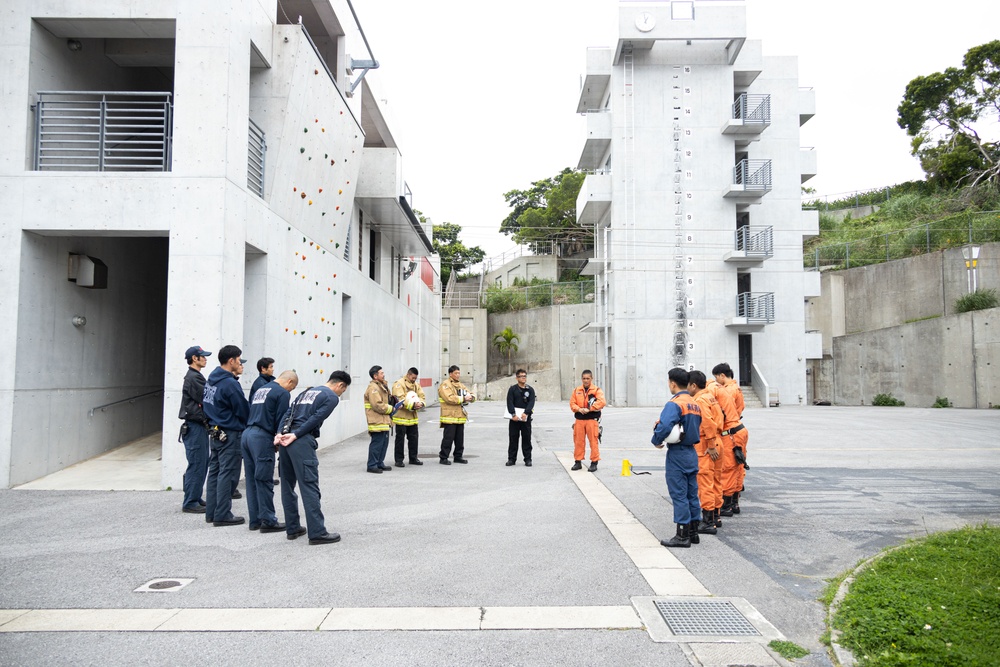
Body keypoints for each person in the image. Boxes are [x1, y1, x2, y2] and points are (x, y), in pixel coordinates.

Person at [274, 370, 351, 545]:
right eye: (343, 390)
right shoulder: (330, 397)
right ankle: (317, 532)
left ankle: (292, 528)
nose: (341, 394)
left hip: (286, 440)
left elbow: (288, 413)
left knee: (287, 485)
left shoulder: (306, 392)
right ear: (340, 385)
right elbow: (316, 419)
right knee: (309, 486)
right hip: (300, 441)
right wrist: (296, 434)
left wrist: (280, 433)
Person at [652, 367, 702, 548]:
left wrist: (656, 440)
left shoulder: (674, 403)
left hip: (678, 453)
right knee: (691, 494)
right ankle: (694, 531)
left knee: (679, 494)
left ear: (672, 383)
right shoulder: (694, 403)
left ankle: (682, 535)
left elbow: (665, 425)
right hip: (691, 452)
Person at [242, 370, 297, 532]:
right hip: (261, 438)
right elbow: (281, 420)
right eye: (292, 389)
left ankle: (255, 520)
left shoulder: (262, 389)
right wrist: (279, 440)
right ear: (289, 382)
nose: (290, 392)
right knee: (265, 479)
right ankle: (268, 521)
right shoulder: (282, 393)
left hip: (247, 435)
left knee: (252, 480)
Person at [202, 345, 250, 527]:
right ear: (231, 361)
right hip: (230, 432)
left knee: (214, 471)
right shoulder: (230, 383)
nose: (240, 363)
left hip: (215, 431)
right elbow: (242, 410)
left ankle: (212, 512)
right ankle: (222, 514)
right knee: (227, 473)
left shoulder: (211, 380)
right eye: (239, 360)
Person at [709, 362, 749, 519]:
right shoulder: (736, 388)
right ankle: (734, 502)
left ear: (722, 376)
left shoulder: (727, 390)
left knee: (728, 468)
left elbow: (721, 412)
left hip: (731, 433)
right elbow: (740, 408)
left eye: (716, 378)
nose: (716, 381)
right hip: (738, 429)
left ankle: (727, 504)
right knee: (738, 466)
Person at [688, 370, 723, 536]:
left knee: (705, 482)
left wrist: (709, 445)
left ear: (693, 385)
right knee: (716, 480)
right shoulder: (709, 396)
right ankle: (715, 516)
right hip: (717, 441)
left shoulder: (700, 400)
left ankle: (708, 521)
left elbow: (707, 422)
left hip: (707, 444)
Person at [178, 345, 212, 514]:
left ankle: (195, 497)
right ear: (194, 359)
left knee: (201, 462)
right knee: (197, 463)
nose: (205, 359)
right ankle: (190, 501)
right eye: (202, 356)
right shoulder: (194, 378)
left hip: (197, 427)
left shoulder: (195, 376)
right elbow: (207, 398)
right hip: (194, 426)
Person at [439, 365, 475, 464]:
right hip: (449, 416)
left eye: (459, 373)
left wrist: (471, 397)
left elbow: (469, 393)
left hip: (459, 416)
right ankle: (443, 457)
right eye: (456, 373)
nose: (458, 375)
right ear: (450, 374)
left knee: (459, 439)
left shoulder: (460, 384)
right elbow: (449, 398)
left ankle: (458, 456)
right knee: (448, 438)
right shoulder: (445, 385)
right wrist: (463, 398)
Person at [570, 370, 605, 472]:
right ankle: (578, 462)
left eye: (587, 378)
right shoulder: (577, 390)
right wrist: (579, 409)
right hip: (579, 420)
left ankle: (594, 462)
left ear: (591, 378)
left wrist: (590, 409)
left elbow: (602, 402)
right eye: (584, 378)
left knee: (593, 442)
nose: (585, 380)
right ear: (582, 379)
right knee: (578, 442)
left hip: (592, 420)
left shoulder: (597, 390)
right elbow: (572, 403)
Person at [364, 365, 397, 473]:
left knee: (384, 443)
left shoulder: (382, 386)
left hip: (384, 420)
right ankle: (372, 465)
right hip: (376, 420)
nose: (384, 375)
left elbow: (386, 401)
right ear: (375, 376)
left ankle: (379, 463)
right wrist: (392, 408)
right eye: (381, 373)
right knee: (377, 443)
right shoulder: (373, 388)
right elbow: (377, 405)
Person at [391, 367, 426, 467]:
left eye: (415, 378)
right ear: (408, 374)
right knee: (400, 440)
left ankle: (413, 458)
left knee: (414, 439)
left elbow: (422, 396)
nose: (414, 380)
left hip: (412, 417)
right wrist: (413, 405)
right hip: (401, 417)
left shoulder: (416, 385)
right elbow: (400, 398)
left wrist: (421, 404)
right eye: (413, 377)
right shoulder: (399, 384)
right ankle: (399, 460)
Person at [505, 369, 536, 466]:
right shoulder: (512, 389)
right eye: (521, 376)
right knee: (513, 439)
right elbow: (509, 402)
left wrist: (526, 413)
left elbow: (531, 402)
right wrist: (513, 414)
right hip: (514, 419)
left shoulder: (530, 389)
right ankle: (511, 459)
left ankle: (528, 459)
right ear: (517, 378)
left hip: (525, 418)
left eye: (525, 376)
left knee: (526, 439)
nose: (523, 378)